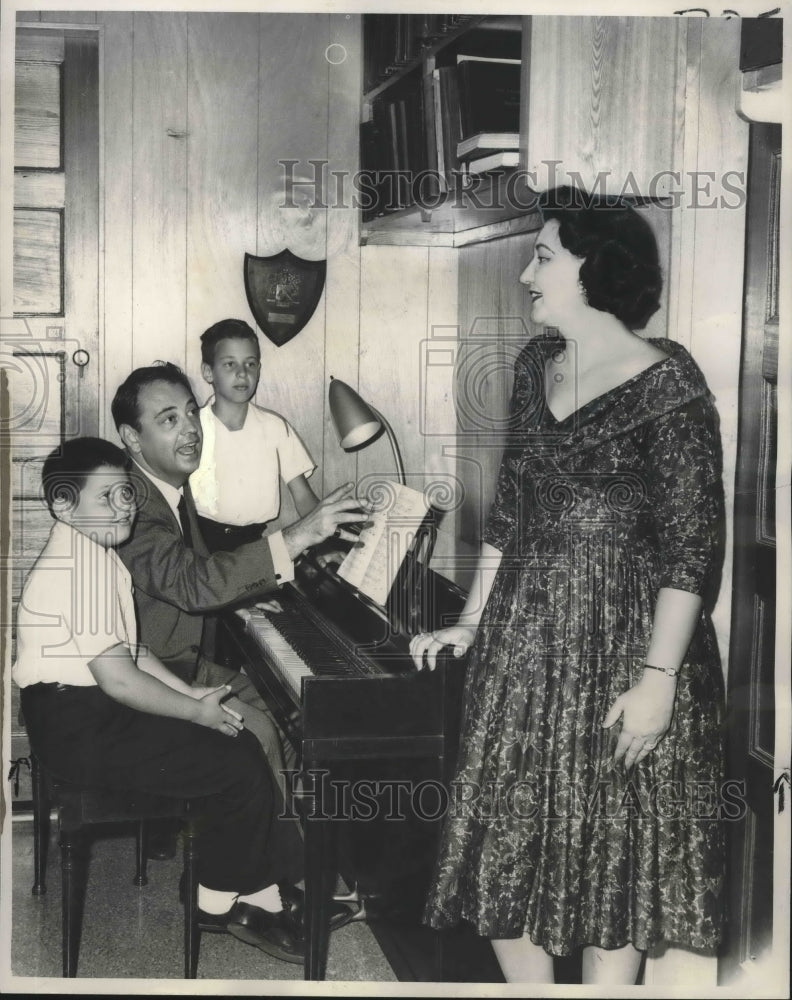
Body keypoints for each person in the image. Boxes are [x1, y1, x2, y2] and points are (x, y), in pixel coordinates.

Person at [409, 186, 726, 985]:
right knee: (501, 842)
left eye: (544, 255)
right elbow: (510, 509)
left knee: (609, 859)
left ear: (599, 268)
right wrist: (472, 623)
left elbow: (693, 548)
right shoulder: (532, 367)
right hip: (524, 642)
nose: (525, 274)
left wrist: (658, 683)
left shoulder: (671, 385)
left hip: (626, 648)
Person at [13, 437, 307, 962]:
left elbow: (134, 650)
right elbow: (119, 679)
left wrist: (191, 692)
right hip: (76, 725)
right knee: (235, 762)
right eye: (106, 498)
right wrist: (196, 711)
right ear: (63, 503)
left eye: (126, 494)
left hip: (83, 711)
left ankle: (259, 892)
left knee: (234, 740)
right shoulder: (78, 566)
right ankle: (217, 901)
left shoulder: (96, 554)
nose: (124, 506)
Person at [110, 361, 361, 844]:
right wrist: (301, 533)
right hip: (151, 677)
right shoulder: (132, 503)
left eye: (190, 414)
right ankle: (283, 873)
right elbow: (191, 583)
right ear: (131, 436)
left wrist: (244, 602)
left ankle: (299, 856)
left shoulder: (168, 488)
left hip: (175, 660)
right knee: (264, 730)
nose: (189, 431)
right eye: (168, 420)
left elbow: (196, 573)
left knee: (286, 716)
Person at [190, 318, 319, 554]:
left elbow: (303, 498)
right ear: (208, 372)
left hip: (255, 546)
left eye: (250, 364)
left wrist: (325, 539)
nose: (242, 374)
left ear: (259, 370)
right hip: (198, 545)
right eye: (229, 364)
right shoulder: (192, 427)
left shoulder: (275, 427)